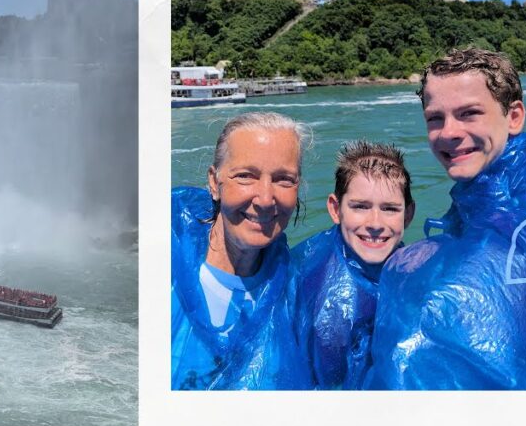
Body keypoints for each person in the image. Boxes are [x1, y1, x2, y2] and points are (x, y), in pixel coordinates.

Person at [366, 47, 526, 389]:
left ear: (514, 117)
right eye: (435, 118)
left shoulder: (517, 216)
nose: (448, 132)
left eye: (469, 113)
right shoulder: (476, 205)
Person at [172, 111, 310, 390]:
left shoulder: (299, 293)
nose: (265, 199)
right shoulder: (166, 266)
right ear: (214, 182)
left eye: (284, 179)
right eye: (246, 176)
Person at [289, 141, 414, 389]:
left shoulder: (408, 264)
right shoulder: (326, 296)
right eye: (360, 207)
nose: (375, 222)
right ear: (336, 210)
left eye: (390, 209)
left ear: (408, 215)